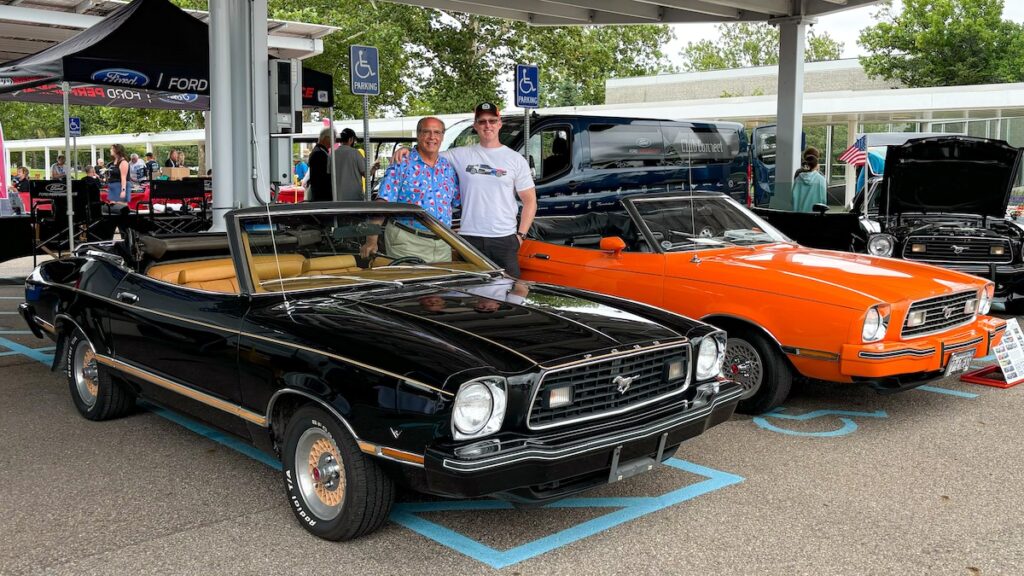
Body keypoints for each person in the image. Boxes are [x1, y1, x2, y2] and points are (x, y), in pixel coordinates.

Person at [394, 102, 538, 276]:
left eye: (492, 121)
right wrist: (407, 149)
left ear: (499, 123)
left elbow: (530, 202)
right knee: (471, 295)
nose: (487, 125)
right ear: (475, 125)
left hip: (504, 238)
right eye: (482, 121)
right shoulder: (459, 154)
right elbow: (428, 152)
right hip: (469, 238)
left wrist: (520, 236)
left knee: (511, 293)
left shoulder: (515, 159)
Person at [362, 117, 459, 262]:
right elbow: (382, 204)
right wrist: (371, 240)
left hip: (442, 244)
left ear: (442, 136)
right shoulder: (401, 163)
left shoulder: (448, 168)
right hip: (407, 241)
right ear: (418, 135)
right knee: (414, 285)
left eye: (437, 132)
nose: (432, 137)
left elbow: (454, 203)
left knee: (443, 284)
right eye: (427, 132)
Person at [331, 127, 366, 200]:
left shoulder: (333, 154)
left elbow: (328, 174)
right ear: (351, 139)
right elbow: (365, 173)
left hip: (337, 197)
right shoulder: (356, 153)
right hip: (355, 197)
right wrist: (374, 168)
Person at [305, 128, 333, 202]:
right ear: (327, 138)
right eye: (334, 138)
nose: (335, 141)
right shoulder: (319, 153)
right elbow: (322, 178)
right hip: (322, 196)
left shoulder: (319, 151)